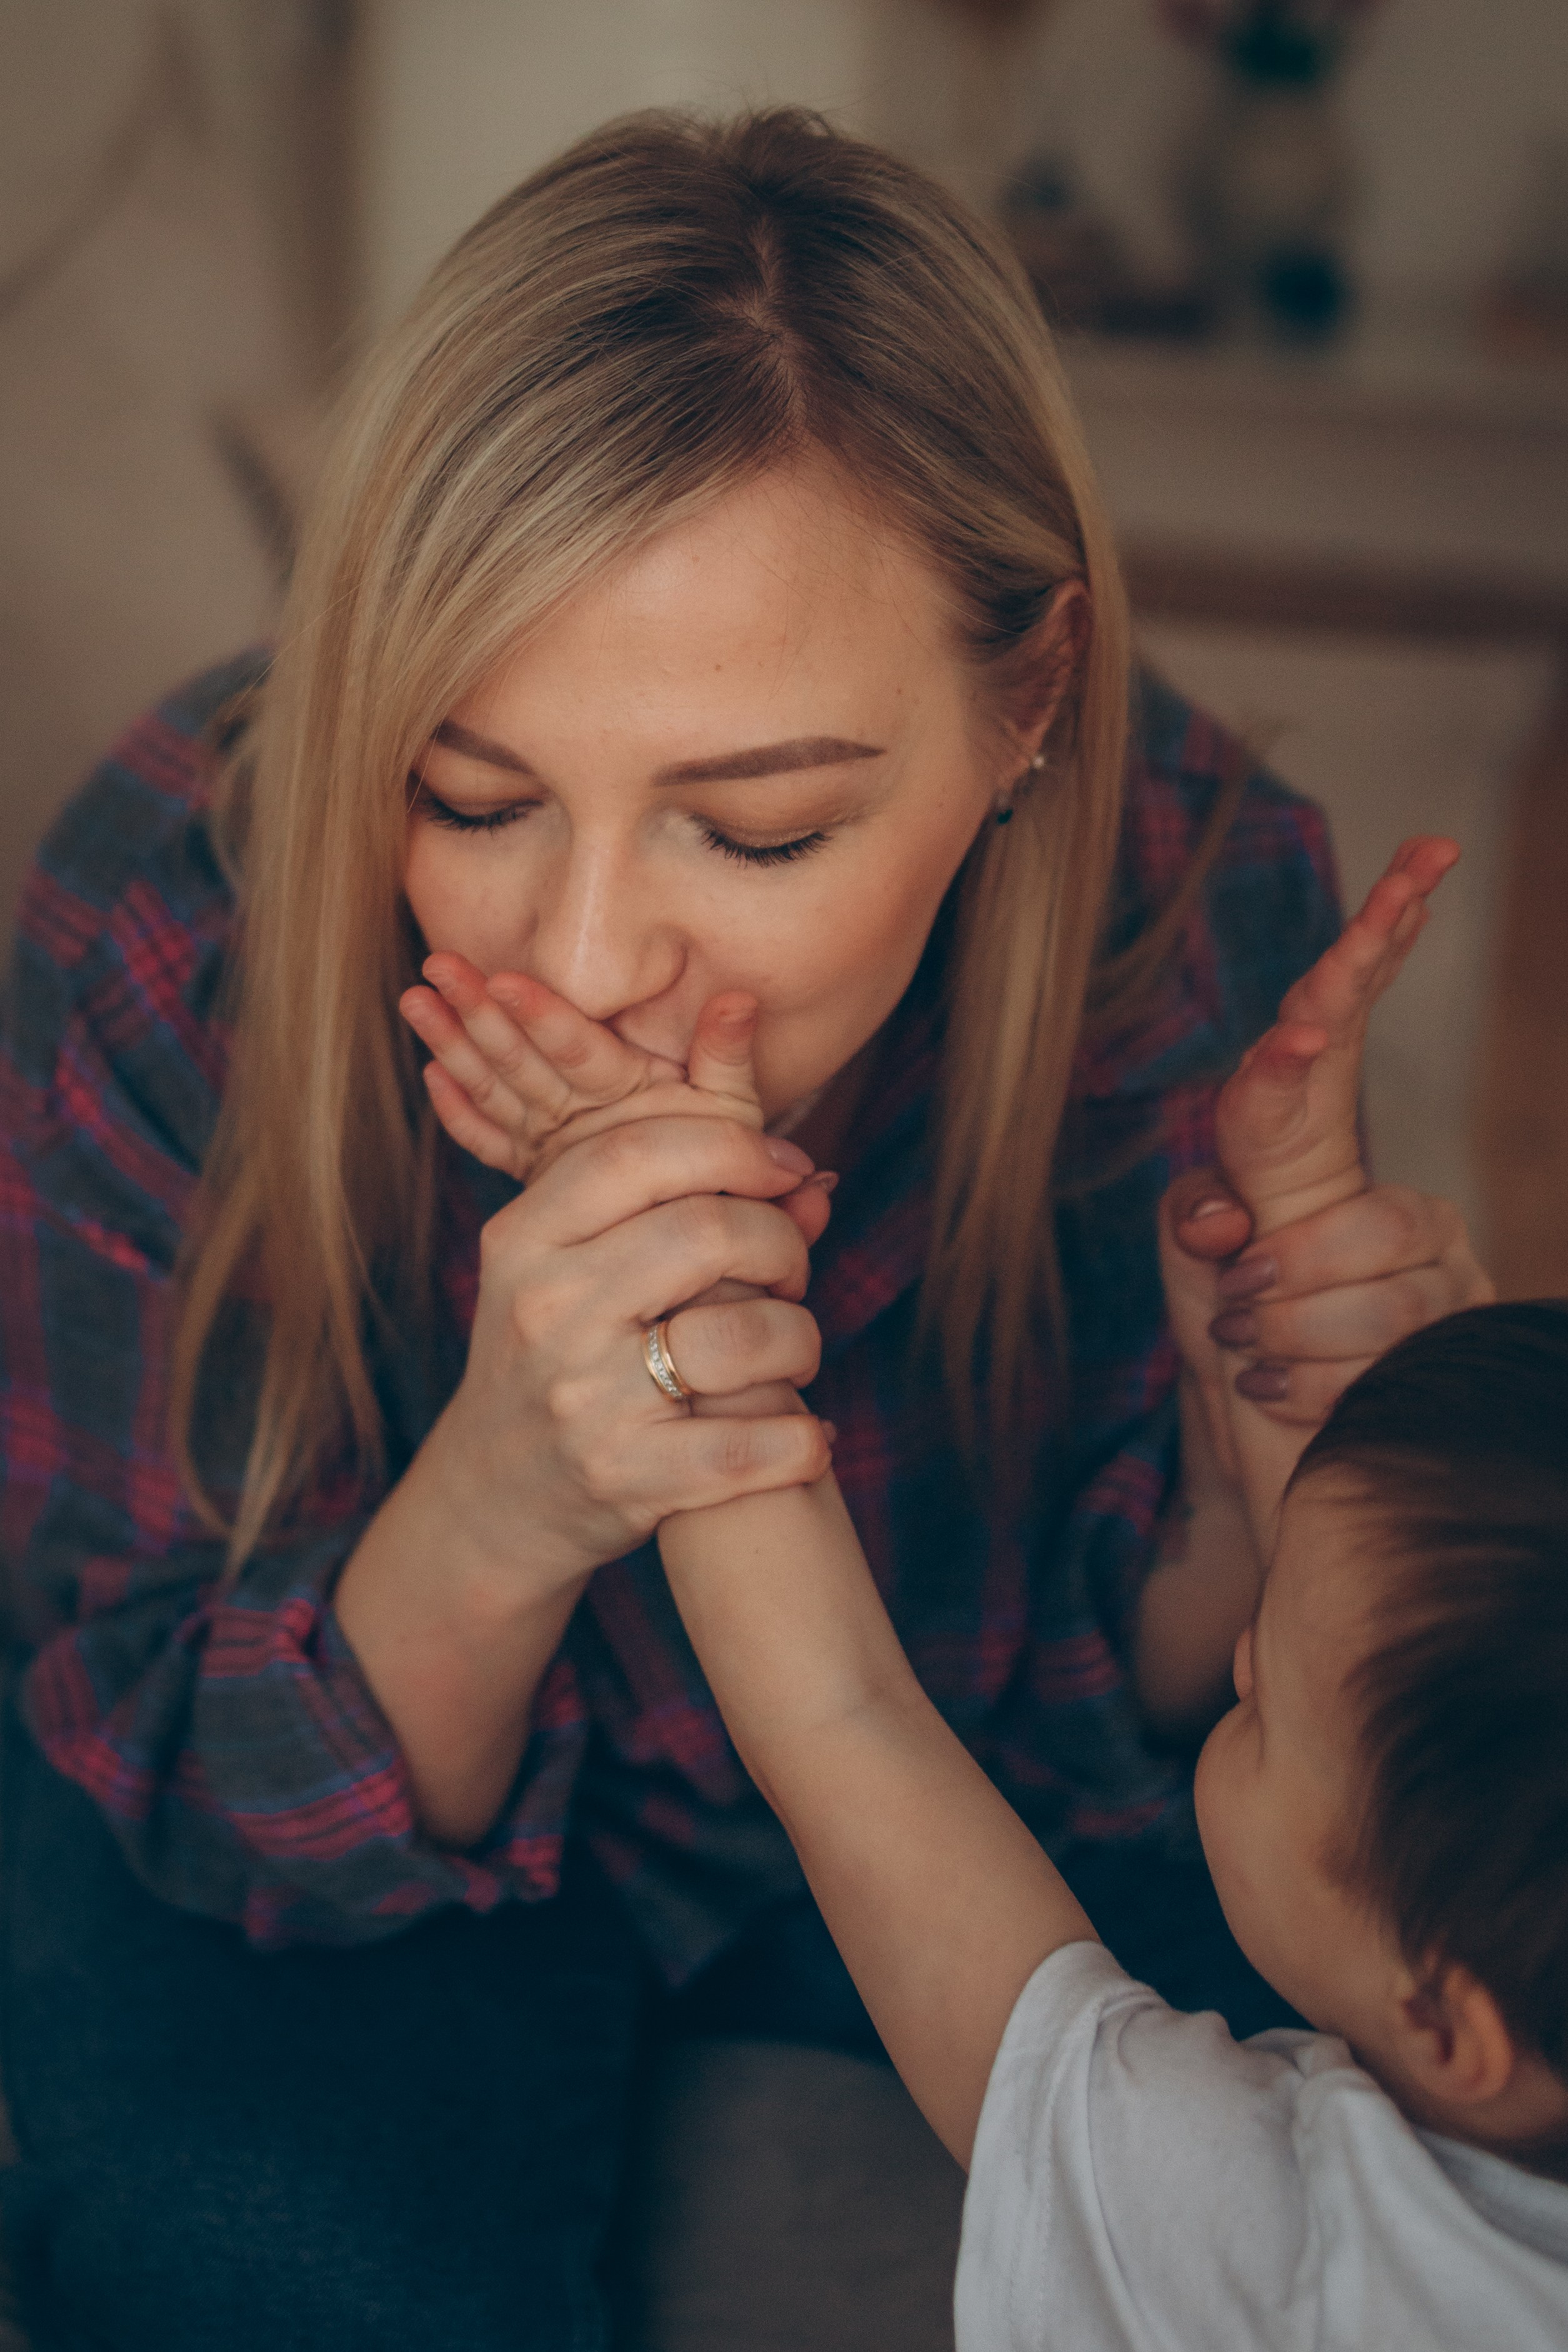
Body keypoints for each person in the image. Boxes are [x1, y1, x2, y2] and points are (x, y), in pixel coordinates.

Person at [0, 108, 1491, 2350]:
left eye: (760, 830)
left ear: (1028, 703)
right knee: (259, 2260)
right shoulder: (171, 912)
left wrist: (1263, 1458)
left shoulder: (1190, 906)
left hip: (975, 1785)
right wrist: (502, 1497)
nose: (590, 957)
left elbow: (1140, 1736)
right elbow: (179, 1762)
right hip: (369, 1823)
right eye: (471, 794)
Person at [634, 860, 1568, 2349]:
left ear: (1447, 2025)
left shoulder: (1254, 2227)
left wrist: (676, 1268)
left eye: (1267, 1707)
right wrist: (1300, 1219)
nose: (1239, 1652)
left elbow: (843, 1723)